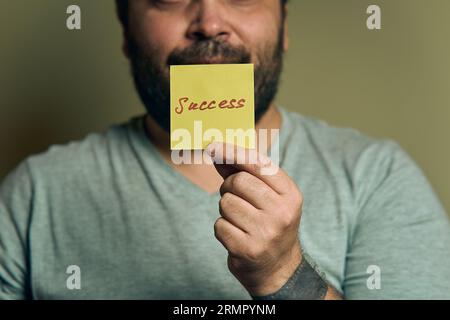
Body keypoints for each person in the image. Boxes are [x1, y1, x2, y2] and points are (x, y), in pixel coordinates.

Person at [1, 0, 449, 300]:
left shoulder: (376, 175)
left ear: (285, 27)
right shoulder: (34, 195)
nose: (210, 23)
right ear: (125, 32)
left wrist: (285, 275)